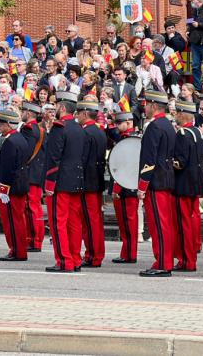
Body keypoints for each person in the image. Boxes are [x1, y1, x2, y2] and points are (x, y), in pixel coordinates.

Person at [43, 91, 86, 272]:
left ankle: (63, 261)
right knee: (74, 223)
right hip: (76, 180)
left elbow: (53, 158)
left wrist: (49, 184)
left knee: (58, 222)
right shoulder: (79, 128)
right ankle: (75, 259)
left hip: (60, 182)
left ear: (61, 108)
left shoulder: (59, 128)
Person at [137, 90, 177, 277]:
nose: (144, 108)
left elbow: (148, 158)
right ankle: (164, 260)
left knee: (158, 225)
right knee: (165, 224)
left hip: (156, 181)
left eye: (146, 105)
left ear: (153, 106)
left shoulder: (154, 127)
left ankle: (162, 262)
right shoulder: (168, 125)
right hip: (167, 179)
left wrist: (142, 185)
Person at [172, 100, 203, 272]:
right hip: (194, 183)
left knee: (183, 224)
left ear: (183, 114)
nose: (175, 116)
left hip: (183, 184)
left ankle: (186, 260)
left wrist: (166, 162)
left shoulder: (183, 133)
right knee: (190, 223)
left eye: (177, 113)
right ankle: (189, 258)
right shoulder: (196, 132)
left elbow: (179, 162)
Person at [0, 108, 30, 261]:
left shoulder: (10, 141)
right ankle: (19, 249)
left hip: (11, 187)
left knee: (12, 221)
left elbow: (8, 168)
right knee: (18, 219)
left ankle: (16, 250)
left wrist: (3, 189)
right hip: (20, 184)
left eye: (2, 124)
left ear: (8, 124)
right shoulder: (20, 138)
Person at [76, 98, 107, 268]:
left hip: (87, 182)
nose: (78, 117)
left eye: (79, 113)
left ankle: (93, 255)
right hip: (96, 180)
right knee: (94, 220)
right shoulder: (99, 132)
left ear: (85, 113)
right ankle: (95, 254)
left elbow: (82, 159)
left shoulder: (86, 133)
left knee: (90, 221)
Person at [109, 112, 140, 264]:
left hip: (126, 187)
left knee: (129, 222)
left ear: (128, 122)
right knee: (125, 223)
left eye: (119, 122)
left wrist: (116, 188)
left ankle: (130, 253)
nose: (116, 125)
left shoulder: (130, 140)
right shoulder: (125, 138)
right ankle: (127, 252)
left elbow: (125, 165)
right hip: (126, 185)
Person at [19, 101, 46, 253]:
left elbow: (25, 152)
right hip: (36, 173)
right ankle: (34, 240)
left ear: (28, 113)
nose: (21, 113)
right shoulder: (40, 130)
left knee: (31, 208)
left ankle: (34, 240)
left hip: (30, 174)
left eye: (23, 111)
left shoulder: (29, 130)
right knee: (34, 208)